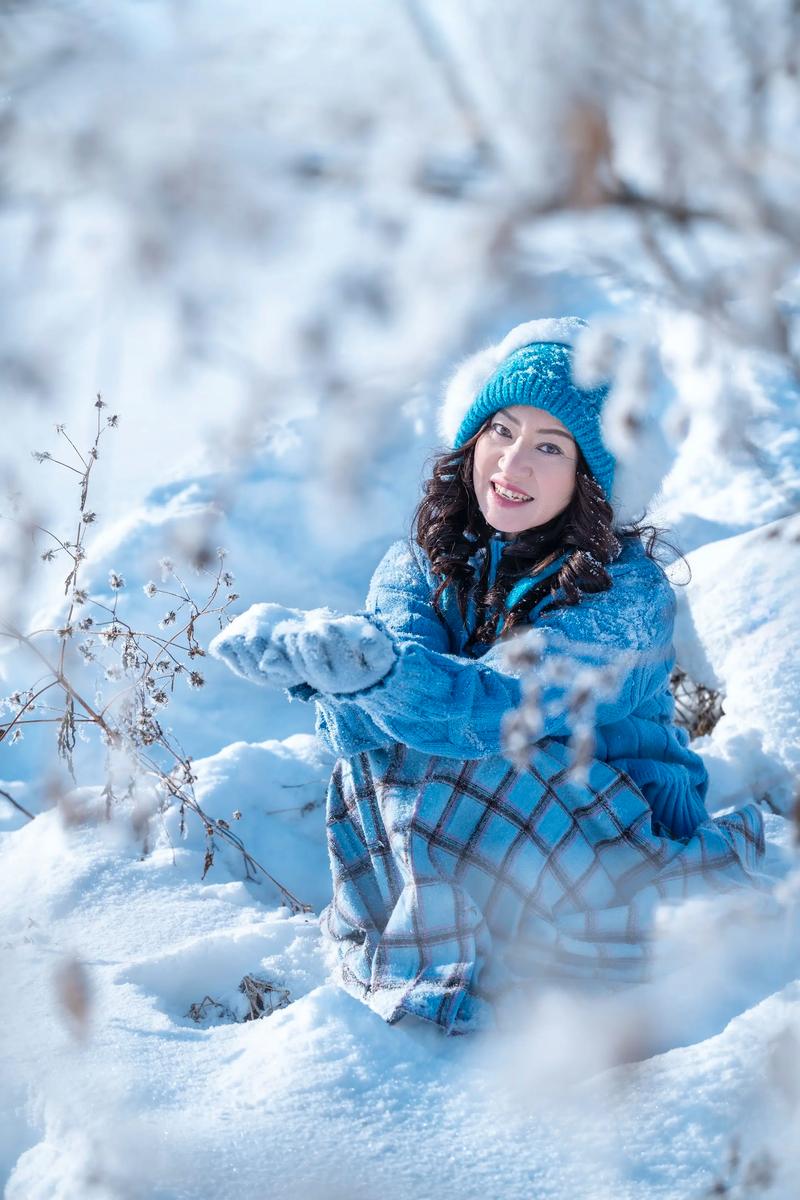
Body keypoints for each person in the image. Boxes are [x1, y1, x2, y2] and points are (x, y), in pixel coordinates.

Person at [209, 316, 766, 1035]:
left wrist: (382, 678)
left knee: (461, 764)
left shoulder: (630, 598)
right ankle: (440, 948)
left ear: (593, 477)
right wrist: (330, 677)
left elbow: (509, 708)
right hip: (492, 827)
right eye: (501, 430)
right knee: (376, 757)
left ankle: (455, 978)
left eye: (550, 446)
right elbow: (374, 728)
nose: (512, 462)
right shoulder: (416, 563)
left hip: (617, 835)